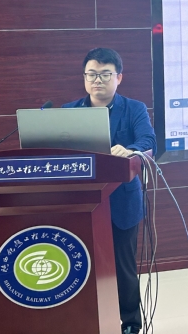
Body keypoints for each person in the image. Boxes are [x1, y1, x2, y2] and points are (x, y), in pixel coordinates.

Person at [63, 47, 155, 334]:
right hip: (80, 203)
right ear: (84, 78)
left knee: (123, 267)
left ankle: (131, 324)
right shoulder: (68, 112)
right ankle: (86, 320)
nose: (97, 80)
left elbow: (148, 140)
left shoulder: (134, 109)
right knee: (81, 264)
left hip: (122, 203)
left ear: (119, 78)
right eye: (91, 74)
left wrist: (131, 150)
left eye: (105, 74)